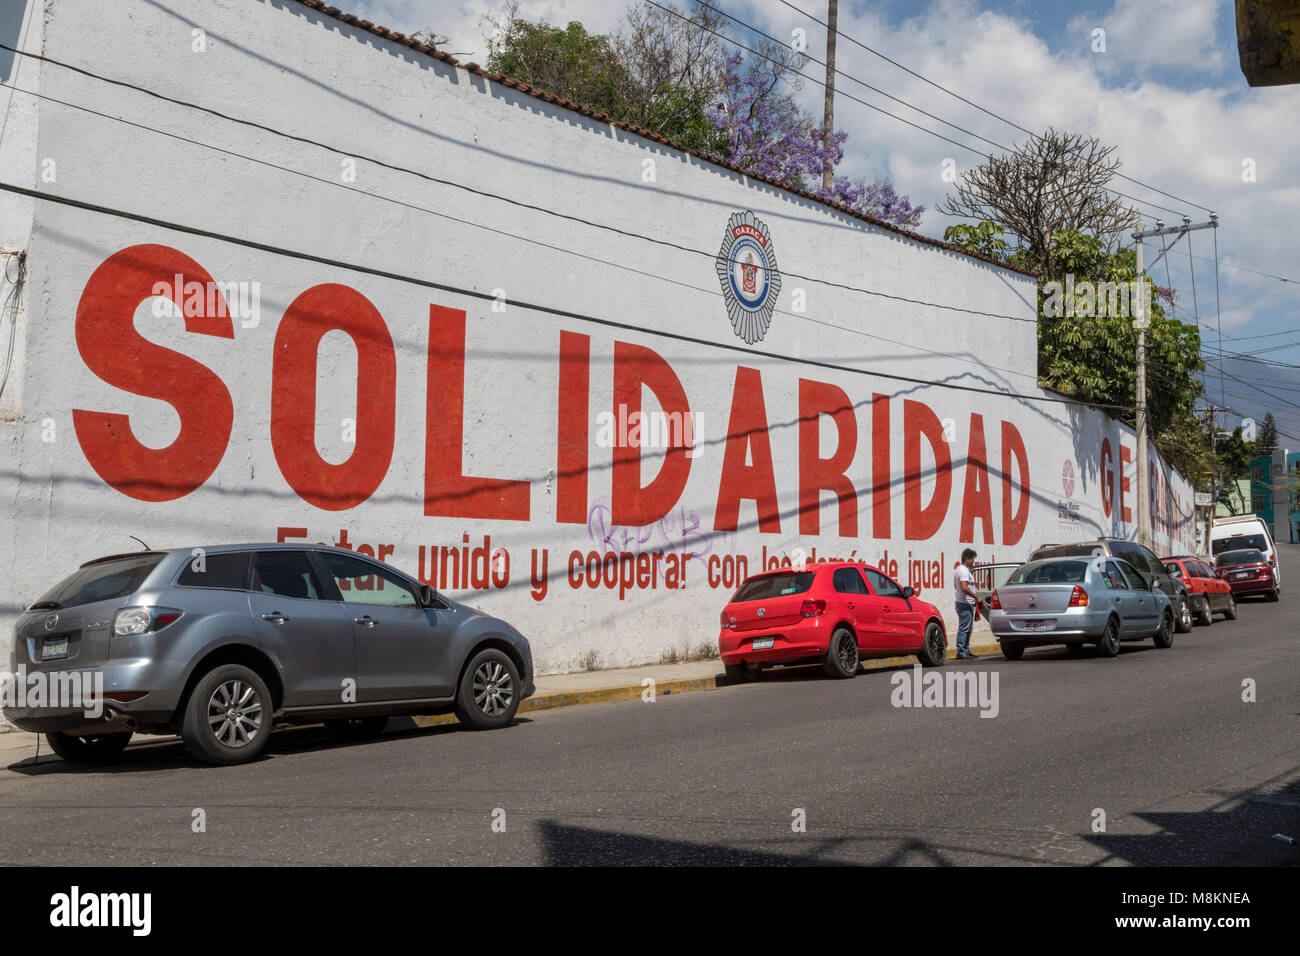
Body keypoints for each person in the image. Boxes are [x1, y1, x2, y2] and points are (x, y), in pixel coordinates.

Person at [953, 548, 985, 660]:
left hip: (964, 602)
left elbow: (956, 586)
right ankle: (961, 651)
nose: (973, 562)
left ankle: (965, 650)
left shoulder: (959, 569)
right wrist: (976, 597)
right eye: (972, 559)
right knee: (964, 628)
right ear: (967, 558)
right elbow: (964, 587)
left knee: (968, 628)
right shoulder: (964, 571)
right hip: (965, 603)